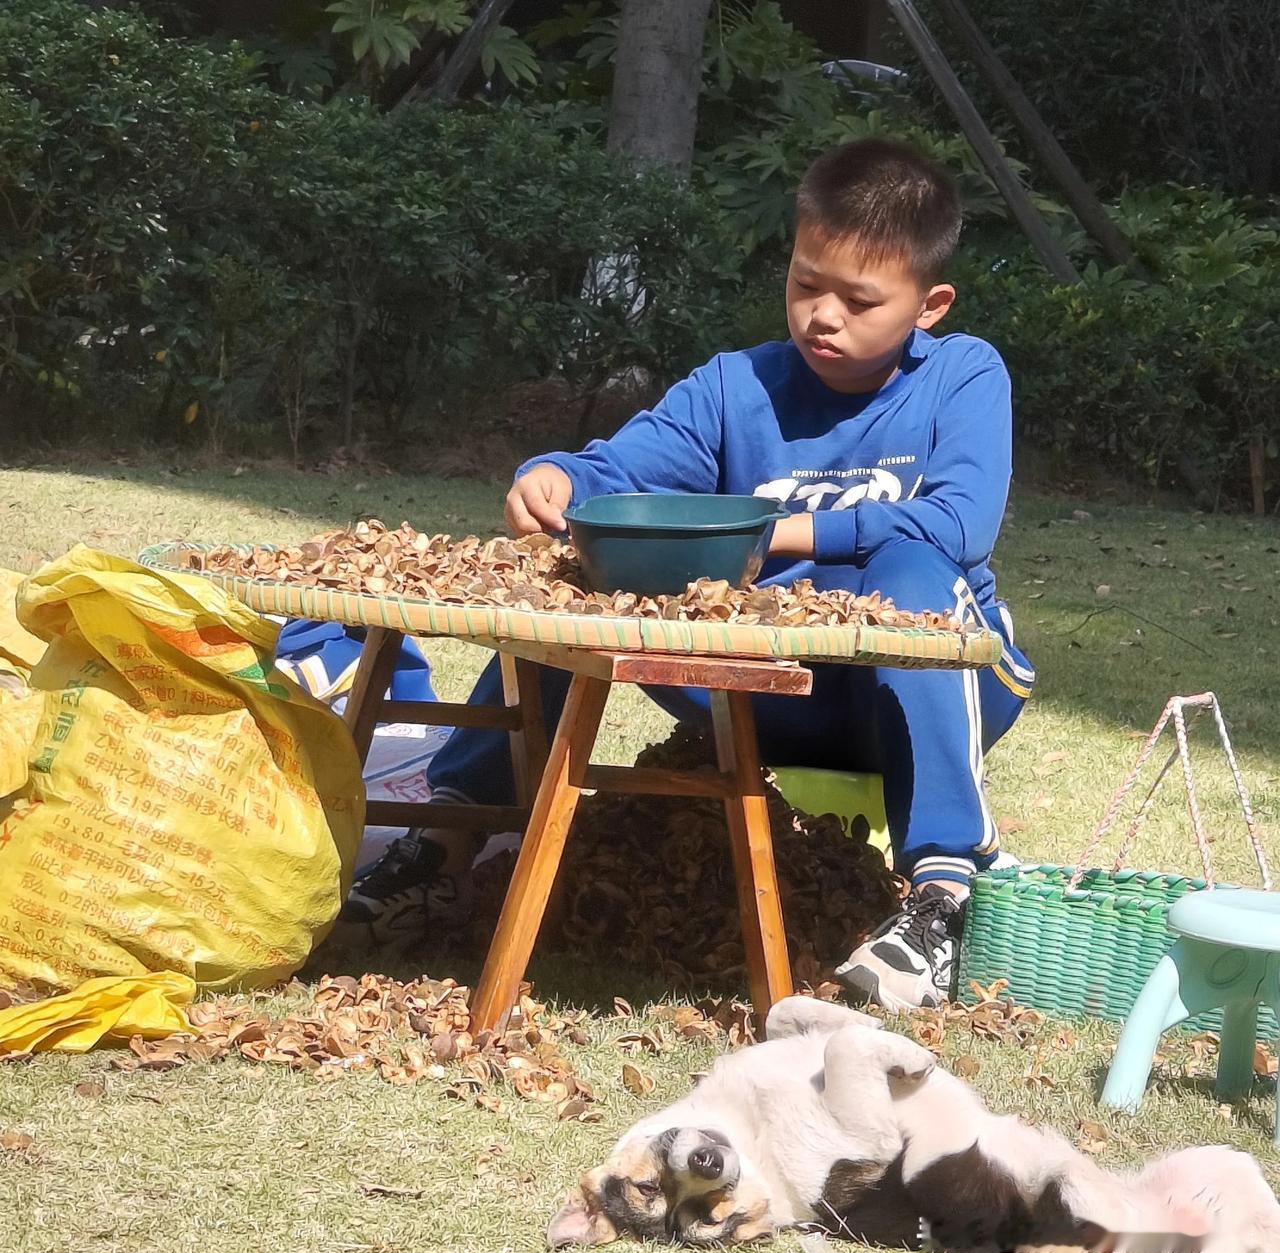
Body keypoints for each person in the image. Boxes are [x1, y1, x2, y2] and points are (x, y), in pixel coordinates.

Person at [338, 137, 1035, 1012]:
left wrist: (768, 531)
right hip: (748, 689)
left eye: (860, 301)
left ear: (929, 305)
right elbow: (622, 470)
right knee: (573, 585)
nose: (824, 315)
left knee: (913, 566)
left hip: (930, 686)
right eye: (806, 282)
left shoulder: (964, 376)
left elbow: (960, 524)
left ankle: (940, 897)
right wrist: (558, 477)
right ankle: (446, 850)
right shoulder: (734, 386)